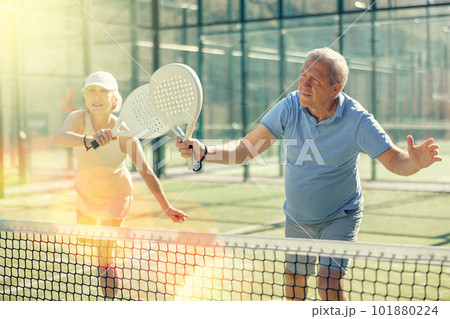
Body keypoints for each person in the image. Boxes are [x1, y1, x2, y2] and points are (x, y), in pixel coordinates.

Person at [175, 48, 442, 301]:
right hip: (297, 217)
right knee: (294, 287)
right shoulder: (289, 107)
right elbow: (245, 149)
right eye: (303, 75)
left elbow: (395, 161)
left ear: (335, 89)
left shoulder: (358, 121)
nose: (304, 83)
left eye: (314, 79)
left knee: (329, 285)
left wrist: (415, 163)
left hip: (341, 216)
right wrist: (204, 150)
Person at [53, 71, 188, 300]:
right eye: (91, 91)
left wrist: (166, 206)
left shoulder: (124, 132)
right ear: (85, 97)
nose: (96, 96)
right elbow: (59, 137)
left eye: (103, 91)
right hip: (86, 193)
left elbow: (146, 172)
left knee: (104, 255)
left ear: (114, 98)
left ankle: (110, 302)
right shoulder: (77, 119)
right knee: (85, 240)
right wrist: (88, 140)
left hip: (116, 196)